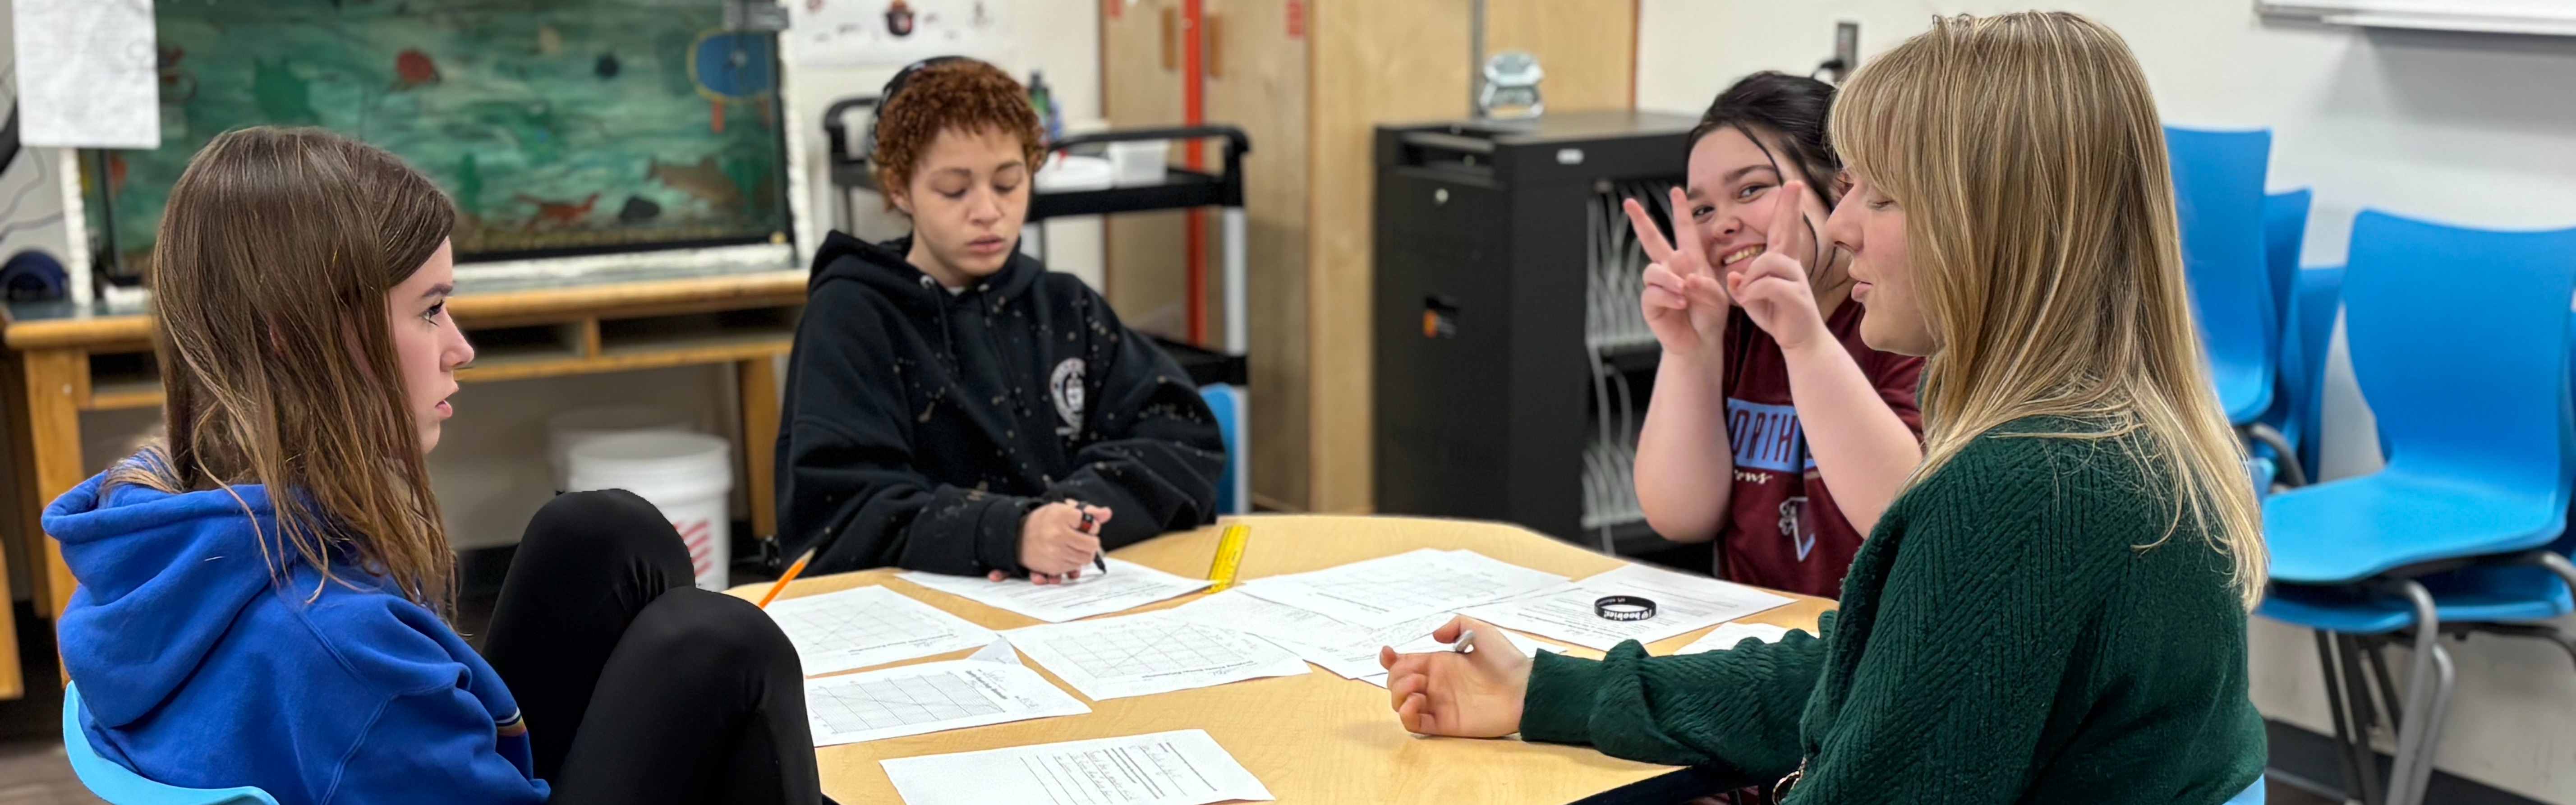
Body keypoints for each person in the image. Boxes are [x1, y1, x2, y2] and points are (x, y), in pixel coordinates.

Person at [1379, 13, 2268, 803]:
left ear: (1991, 223)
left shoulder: (2025, 488)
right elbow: (1859, 669)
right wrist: (1547, 691)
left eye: (1879, 196)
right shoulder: (2112, 433)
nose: (1843, 228)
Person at [46, 127, 821, 805]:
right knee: (720, 644)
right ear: (294, 336)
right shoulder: (344, 653)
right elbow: (358, 689)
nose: (461, 348)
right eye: (429, 310)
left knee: (602, 532)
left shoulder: (164, 532)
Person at [777, 57, 1223, 583]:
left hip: (1071, 599)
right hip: (923, 610)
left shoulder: (1064, 305)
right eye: (954, 190)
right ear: (899, 188)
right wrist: (1007, 533)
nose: (988, 211)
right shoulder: (853, 317)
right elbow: (842, 514)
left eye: (1009, 184)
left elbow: (1179, 436)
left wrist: (1072, 518)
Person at [1628, 72, 1924, 599]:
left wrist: (1804, 342)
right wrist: (1690, 352)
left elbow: (1902, 519)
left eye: (1751, 190)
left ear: (1843, 188)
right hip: (1750, 632)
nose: (1722, 225)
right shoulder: (1731, 324)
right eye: (1702, 210)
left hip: (1866, 635)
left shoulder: (1902, 320)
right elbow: (1680, 517)